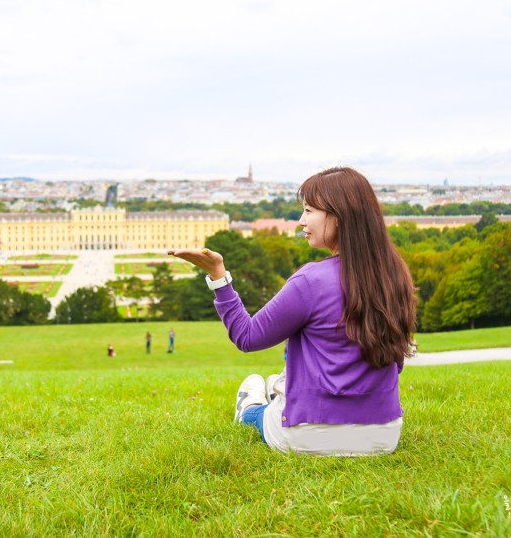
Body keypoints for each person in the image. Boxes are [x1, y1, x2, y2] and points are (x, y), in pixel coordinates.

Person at [170, 167, 417, 456]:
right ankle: (279, 387)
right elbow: (394, 361)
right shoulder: (395, 274)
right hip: (383, 435)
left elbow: (247, 337)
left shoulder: (311, 281)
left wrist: (218, 277)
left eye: (309, 210)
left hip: (308, 435)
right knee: (291, 376)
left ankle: (250, 404)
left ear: (338, 217)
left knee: (256, 411)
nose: (301, 220)